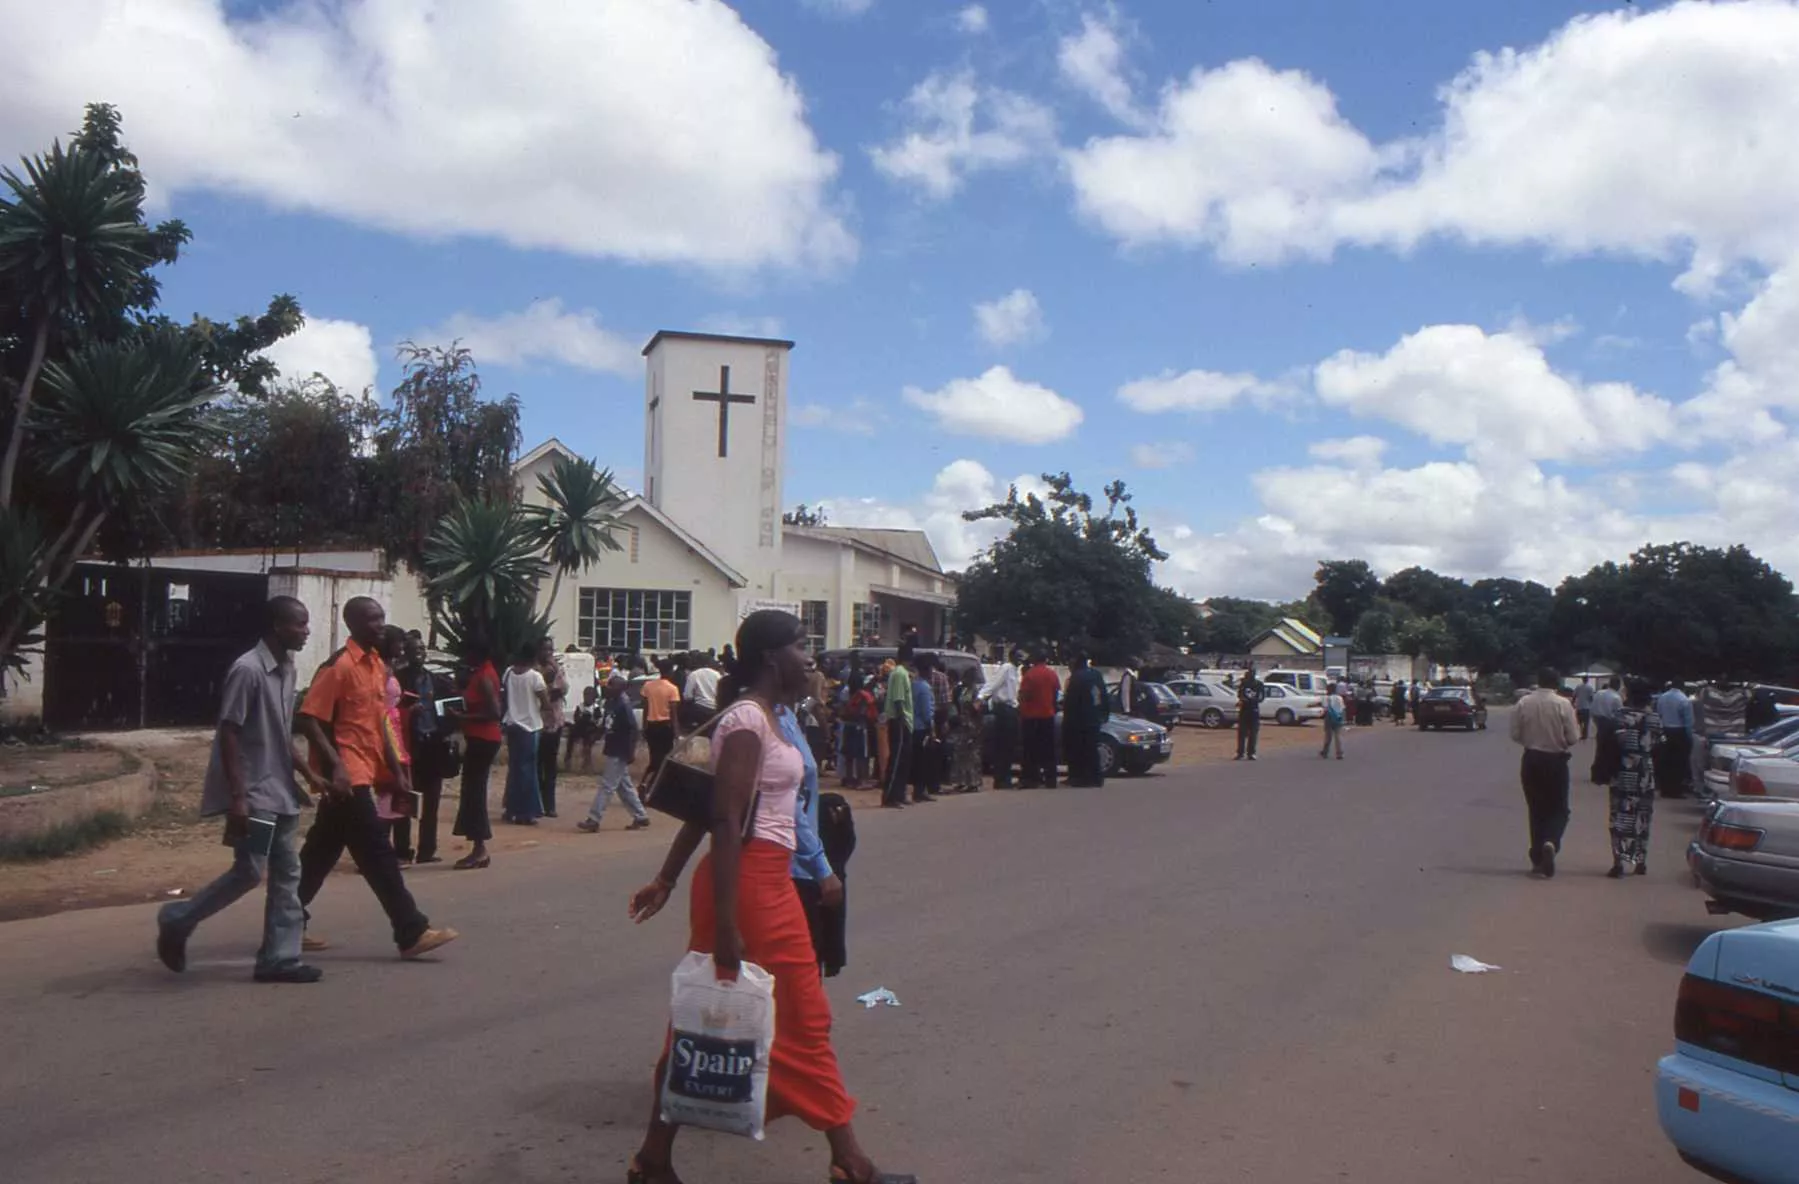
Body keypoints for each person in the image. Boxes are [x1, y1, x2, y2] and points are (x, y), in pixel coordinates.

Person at [622, 611, 914, 1184]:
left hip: (769, 879)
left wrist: (667, 878)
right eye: (800, 646)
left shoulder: (773, 718)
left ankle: (653, 1160)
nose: (809, 657)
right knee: (799, 1018)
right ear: (770, 658)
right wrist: (726, 923)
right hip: (748, 886)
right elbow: (724, 821)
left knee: (713, 1022)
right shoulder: (747, 721)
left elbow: (711, 811)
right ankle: (851, 1162)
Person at [157, 597, 325, 983]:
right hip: (256, 794)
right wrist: (238, 798)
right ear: (276, 626)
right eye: (299, 624)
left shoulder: (287, 668)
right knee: (249, 871)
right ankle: (178, 918)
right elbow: (229, 733)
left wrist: (307, 774)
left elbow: (280, 732)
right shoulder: (247, 670)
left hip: (281, 792)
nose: (306, 631)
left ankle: (279, 959)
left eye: (306, 624)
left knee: (288, 873)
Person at [295, 596, 457, 958]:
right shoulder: (338, 666)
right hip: (347, 774)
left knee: (321, 851)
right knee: (377, 853)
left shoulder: (376, 666)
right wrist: (335, 765)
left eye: (382, 617)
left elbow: (380, 722)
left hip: (366, 768)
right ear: (352, 623)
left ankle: (286, 919)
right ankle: (411, 930)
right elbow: (308, 718)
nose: (380, 624)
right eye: (372, 619)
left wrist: (396, 770)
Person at [780, 700, 849, 976]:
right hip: (790, 868)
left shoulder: (787, 714)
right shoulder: (761, 719)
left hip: (802, 866)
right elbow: (790, 806)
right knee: (799, 973)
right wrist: (822, 869)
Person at [1510, 667, 1581, 879]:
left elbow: (1515, 734)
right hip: (1555, 760)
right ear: (1556, 683)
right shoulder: (1563, 704)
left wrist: (1532, 740)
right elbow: (1573, 737)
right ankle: (1551, 841)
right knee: (1559, 809)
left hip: (1532, 759)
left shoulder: (1524, 702)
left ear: (1538, 681)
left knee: (1536, 808)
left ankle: (1537, 856)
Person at [394, 632, 449, 864]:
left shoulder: (434, 680)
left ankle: (427, 849)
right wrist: (408, 712)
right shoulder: (398, 680)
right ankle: (402, 850)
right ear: (406, 653)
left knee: (432, 800)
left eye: (422, 649)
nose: (420, 653)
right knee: (406, 799)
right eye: (415, 650)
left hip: (432, 743)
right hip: (409, 745)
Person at [450, 640, 503, 870]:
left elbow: (494, 712)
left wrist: (463, 718)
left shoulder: (484, 676)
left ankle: (479, 848)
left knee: (474, 793)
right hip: (480, 738)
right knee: (472, 791)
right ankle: (477, 847)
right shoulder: (482, 673)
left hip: (483, 739)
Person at [578, 674, 652, 832]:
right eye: (609, 684)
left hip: (620, 749)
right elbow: (607, 724)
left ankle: (594, 818)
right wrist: (596, 736)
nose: (608, 687)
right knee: (623, 785)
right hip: (612, 746)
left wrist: (631, 751)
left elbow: (633, 730)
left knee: (607, 785)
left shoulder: (624, 705)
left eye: (612, 685)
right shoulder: (610, 703)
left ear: (621, 688)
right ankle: (640, 816)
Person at [1608, 696, 1661, 878]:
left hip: (1622, 772)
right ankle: (1640, 861)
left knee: (1619, 816)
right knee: (1643, 816)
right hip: (1645, 773)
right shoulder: (1654, 719)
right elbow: (1659, 746)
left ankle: (1618, 863)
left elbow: (1610, 743)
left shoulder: (1619, 717)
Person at [501, 642, 549, 825]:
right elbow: (545, 702)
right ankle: (526, 812)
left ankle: (511, 809)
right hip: (530, 726)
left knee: (515, 768)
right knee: (528, 770)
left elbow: (504, 696)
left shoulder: (508, 672)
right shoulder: (535, 677)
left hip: (512, 723)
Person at [1062, 651, 1109, 787]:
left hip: (1079, 720)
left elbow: (1071, 702)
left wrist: (1067, 719)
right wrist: (1104, 713)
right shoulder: (1096, 674)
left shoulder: (1077, 677)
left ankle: (1079, 777)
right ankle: (1096, 777)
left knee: (1078, 749)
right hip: (1094, 718)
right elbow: (1103, 695)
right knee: (1092, 749)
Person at [1018, 652, 1061, 788]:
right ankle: (1051, 779)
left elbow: (1024, 695)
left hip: (1031, 716)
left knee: (1030, 749)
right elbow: (1056, 693)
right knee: (1049, 749)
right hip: (1048, 715)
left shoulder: (1029, 675)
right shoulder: (1052, 674)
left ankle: (1031, 778)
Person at [537, 637, 569, 819]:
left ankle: (550, 805)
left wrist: (553, 677)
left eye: (550, 649)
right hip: (537, 723)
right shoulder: (534, 670)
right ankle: (538, 803)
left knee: (550, 765)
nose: (547, 653)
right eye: (544, 649)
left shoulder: (556, 668)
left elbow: (562, 690)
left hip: (554, 723)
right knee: (536, 765)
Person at [980, 649, 1021, 788]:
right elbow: (993, 684)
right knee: (1004, 746)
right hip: (1004, 710)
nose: (1020, 659)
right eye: (1018, 656)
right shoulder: (1006, 668)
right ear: (1011, 656)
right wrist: (980, 698)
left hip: (1012, 710)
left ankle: (1005, 778)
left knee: (1009, 747)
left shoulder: (1016, 671)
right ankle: (1001, 779)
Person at [880, 645, 915, 809]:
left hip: (903, 721)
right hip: (900, 720)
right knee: (897, 760)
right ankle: (890, 796)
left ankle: (899, 794)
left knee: (903, 761)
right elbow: (899, 699)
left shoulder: (899, 673)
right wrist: (902, 719)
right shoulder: (900, 674)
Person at [642, 659, 683, 782]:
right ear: (670, 671)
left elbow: (645, 708)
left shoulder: (648, 686)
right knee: (666, 758)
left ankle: (646, 781)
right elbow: (673, 714)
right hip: (665, 727)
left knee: (654, 757)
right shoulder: (673, 689)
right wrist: (677, 733)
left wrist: (644, 727)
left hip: (651, 726)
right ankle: (658, 782)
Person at [1655, 682, 1695, 799]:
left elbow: (1659, 714)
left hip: (1665, 731)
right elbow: (1688, 722)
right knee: (1678, 763)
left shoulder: (1662, 697)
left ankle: (1664, 789)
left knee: (1665, 761)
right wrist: (1689, 738)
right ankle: (1676, 790)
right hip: (1679, 732)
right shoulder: (1684, 700)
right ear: (1683, 687)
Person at [909, 653, 939, 803]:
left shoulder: (913, 684)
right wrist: (932, 730)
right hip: (922, 728)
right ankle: (920, 791)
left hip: (913, 726)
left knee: (917, 760)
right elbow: (927, 713)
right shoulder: (925, 687)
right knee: (923, 761)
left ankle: (918, 789)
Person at [949, 667, 984, 792]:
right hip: (962, 724)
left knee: (972, 755)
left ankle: (973, 782)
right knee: (960, 753)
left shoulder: (976, 692)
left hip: (972, 725)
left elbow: (977, 709)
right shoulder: (963, 691)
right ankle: (961, 781)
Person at [839, 672, 875, 788]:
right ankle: (862, 781)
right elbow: (863, 712)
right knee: (862, 755)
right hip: (860, 727)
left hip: (847, 726)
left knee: (849, 754)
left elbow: (842, 711)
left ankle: (849, 779)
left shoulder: (846, 693)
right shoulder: (863, 695)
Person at [1589, 677, 1625, 785]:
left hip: (1599, 722)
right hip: (1610, 723)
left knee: (1600, 748)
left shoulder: (1599, 693)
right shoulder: (1616, 697)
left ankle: (1597, 774)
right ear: (1618, 685)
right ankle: (1607, 774)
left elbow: (1592, 709)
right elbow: (1619, 714)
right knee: (1610, 750)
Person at [682, 656, 720, 730]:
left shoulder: (694, 674)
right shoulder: (717, 674)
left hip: (699, 709)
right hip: (715, 708)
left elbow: (687, 696)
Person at [1235, 668, 1265, 760]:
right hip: (1244, 710)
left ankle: (1251, 753)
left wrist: (1253, 700)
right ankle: (1240, 753)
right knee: (1242, 733)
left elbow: (1262, 697)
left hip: (1254, 710)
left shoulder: (1259, 684)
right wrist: (1243, 700)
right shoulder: (1243, 684)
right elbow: (1239, 694)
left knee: (1253, 733)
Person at [1320, 684, 1346, 760]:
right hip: (1338, 717)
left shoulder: (1327, 698)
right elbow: (1343, 709)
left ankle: (1325, 752)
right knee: (1338, 736)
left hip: (1329, 717)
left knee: (1328, 736)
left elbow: (1325, 708)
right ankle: (1339, 753)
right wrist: (1343, 719)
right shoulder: (1339, 698)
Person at [1573, 676, 1595, 741]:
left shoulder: (1578, 686)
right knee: (1586, 723)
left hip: (1579, 707)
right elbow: (1591, 698)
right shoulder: (1590, 687)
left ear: (1582, 679)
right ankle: (1584, 735)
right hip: (1587, 708)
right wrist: (1592, 704)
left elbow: (1574, 695)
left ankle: (1581, 734)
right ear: (1588, 679)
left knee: (1579, 722)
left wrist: (1573, 703)